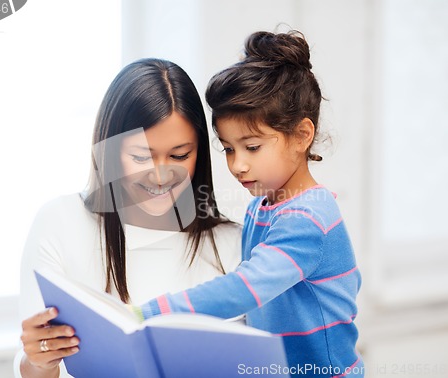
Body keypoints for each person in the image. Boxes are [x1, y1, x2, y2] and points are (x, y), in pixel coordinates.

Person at [133, 31, 364, 378]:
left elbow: (246, 289)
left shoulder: (309, 217)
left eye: (252, 147)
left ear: (302, 135)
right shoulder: (264, 207)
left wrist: (148, 314)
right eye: (228, 148)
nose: (237, 164)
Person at [14, 58, 242, 378]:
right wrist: (38, 362)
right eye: (140, 156)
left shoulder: (232, 245)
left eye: (180, 155)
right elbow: (39, 367)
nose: (161, 176)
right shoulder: (60, 223)